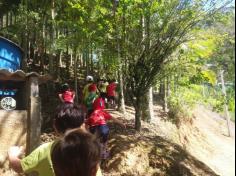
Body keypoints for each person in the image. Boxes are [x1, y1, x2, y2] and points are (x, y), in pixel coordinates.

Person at [8, 104, 103, 176]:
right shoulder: (91, 148)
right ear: (83, 124)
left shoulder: (46, 149)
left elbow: (19, 167)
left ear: (55, 125)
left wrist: (12, 154)